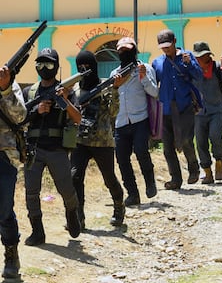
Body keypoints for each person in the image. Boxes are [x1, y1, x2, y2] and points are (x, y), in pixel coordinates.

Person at [22, 48, 81, 246]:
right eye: (39, 64)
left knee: (66, 189)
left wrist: (63, 100)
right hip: (33, 149)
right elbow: (19, 119)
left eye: (48, 64)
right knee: (31, 192)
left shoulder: (66, 91)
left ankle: (72, 214)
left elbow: (78, 118)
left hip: (57, 149)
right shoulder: (29, 92)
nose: (43, 68)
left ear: (56, 66)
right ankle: (37, 231)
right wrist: (36, 111)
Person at [71, 50, 125, 229]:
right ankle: (79, 217)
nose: (85, 70)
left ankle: (118, 206)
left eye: (88, 66)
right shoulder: (75, 89)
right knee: (75, 177)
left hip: (102, 142)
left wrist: (115, 89)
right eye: (81, 67)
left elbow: (113, 113)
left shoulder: (105, 86)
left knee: (109, 178)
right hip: (80, 140)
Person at [152, 29, 203, 190]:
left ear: (174, 41)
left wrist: (190, 64)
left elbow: (199, 76)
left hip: (184, 106)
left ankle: (194, 169)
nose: (166, 49)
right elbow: (153, 84)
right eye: (162, 47)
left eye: (168, 45)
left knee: (187, 140)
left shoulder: (187, 57)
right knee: (168, 147)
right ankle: (176, 179)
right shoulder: (157, 63)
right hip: (165, 109)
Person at [111, 37, 159, 206]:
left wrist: (143, 77)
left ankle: (150, 182)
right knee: (122, 159)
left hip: (140, 119)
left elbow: (155, 92)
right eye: (121, 50)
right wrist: (115, 86)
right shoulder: (114, 73)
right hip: (121, 122)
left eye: (128, 50)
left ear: (134, 50)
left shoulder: (145, 68)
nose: (124, 53)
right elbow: (112, 98)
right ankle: (132, 194)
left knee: (141, 152)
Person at [192, 41, 222, 184]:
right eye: (198, 57)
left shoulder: (217, 67)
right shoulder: (192, 69)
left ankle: (219, 164)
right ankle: (207, 172)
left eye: (204, 56)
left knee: (216, 136)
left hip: (215, 110)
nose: (201, 59)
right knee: (200, 142)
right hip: (198, 112)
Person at [0, 66, 26, 278]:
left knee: (4, 208)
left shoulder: (9, 84)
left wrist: (6, 89)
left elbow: (20, 116)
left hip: (4, 155)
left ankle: (11, 251)